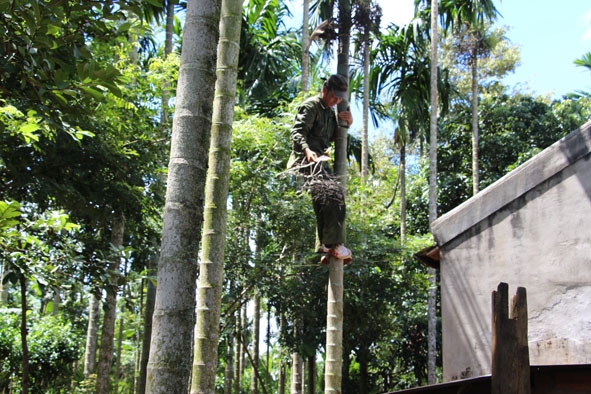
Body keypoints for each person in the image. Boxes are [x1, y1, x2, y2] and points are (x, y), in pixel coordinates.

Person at [287, 74, 353, 264]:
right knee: (335, 195)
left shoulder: (329, 112)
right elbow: (297, 132)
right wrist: (307, 150)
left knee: (323, 202)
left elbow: (332, 137)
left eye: (339, 98)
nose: (336, 101)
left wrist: (348, 121)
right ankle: (333, 244)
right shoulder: (312, 106)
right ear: (324, 90)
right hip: (306, 160)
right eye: (334, 96)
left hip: (320, 160)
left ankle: (325, 248)